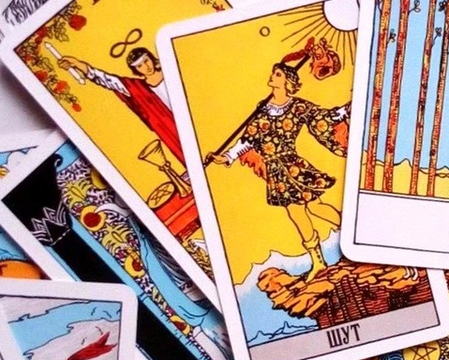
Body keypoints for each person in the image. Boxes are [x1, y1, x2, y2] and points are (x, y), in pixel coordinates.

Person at [207, 54, 348, 278]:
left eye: (278, 73)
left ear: (287, 81)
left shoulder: (298, 106)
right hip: (275, 171)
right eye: (274, 72)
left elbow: (324, 117)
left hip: (292, 166)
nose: (273, 76)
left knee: (313, 208)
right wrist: (228, 157)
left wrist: (346, 109)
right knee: (298, 213)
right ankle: (319, 261)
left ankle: (350, 236)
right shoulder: (262, 109)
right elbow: (248, 139)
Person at [58, 48, 185, 165]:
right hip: (170, 129)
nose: (146, 67)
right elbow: (105, 79)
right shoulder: (135, 87)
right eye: (140, 65)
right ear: (136, 69)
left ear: (151, 58)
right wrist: (77, 64)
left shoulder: (172, 69)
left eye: (146, 61)